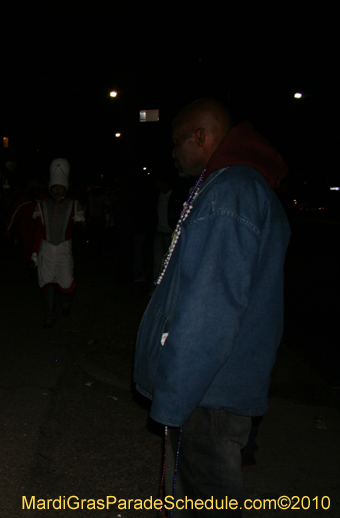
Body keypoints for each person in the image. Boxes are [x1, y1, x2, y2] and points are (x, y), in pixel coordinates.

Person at [133, 99, 290, 516]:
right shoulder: (238, 187)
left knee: (207, 498)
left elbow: (209, 312)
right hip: (213, 387)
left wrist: (173, 397)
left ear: (201, 137)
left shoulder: (230, 192)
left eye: (177, 142)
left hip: (207, 393)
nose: (173, 152)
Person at [31, 158, 85, 328]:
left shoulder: (73, 204)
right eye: (55, 187)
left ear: (65, 188)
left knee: (67, 282)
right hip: (46, 247)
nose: (57, 190)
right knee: (47, 281)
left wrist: (82, 219)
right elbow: (38, 231)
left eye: (60, 187)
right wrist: (34, 254)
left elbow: (82, 229)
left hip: (64, 247)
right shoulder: (41, 205)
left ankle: (65, 302)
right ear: (50, 187)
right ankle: (49, 314)